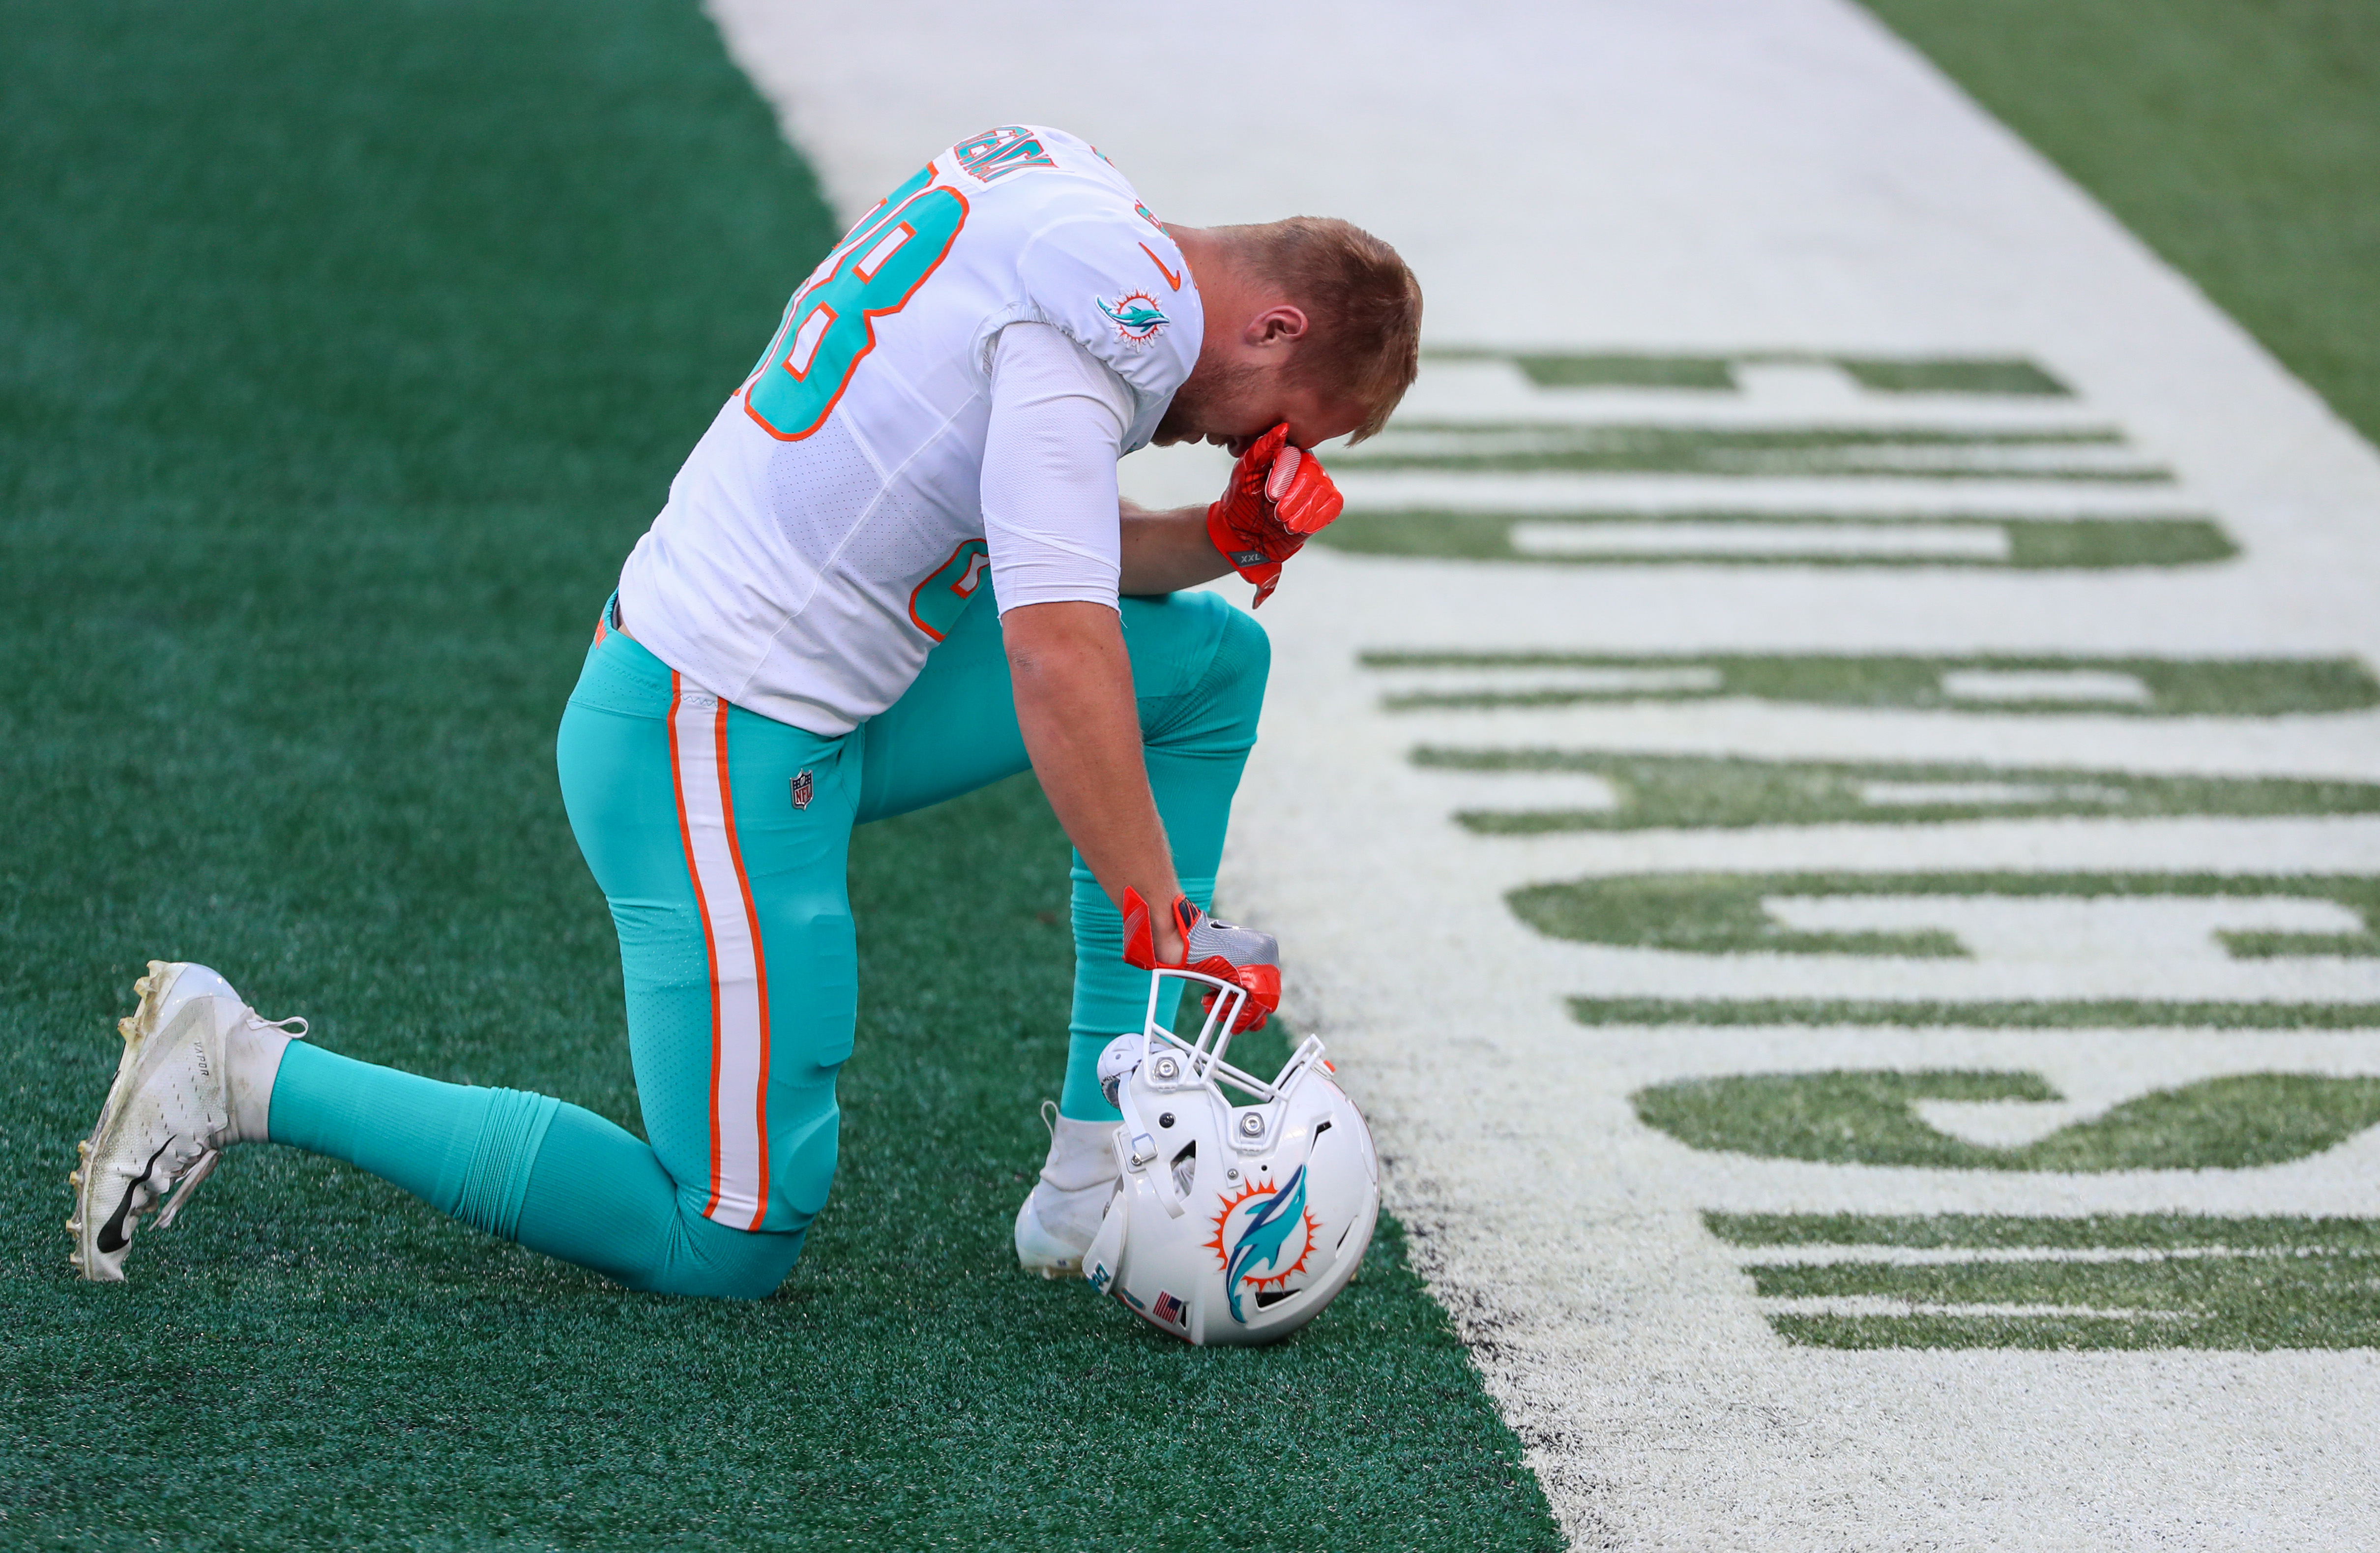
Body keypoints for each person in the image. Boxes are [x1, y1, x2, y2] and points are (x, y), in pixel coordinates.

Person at [69, 123, 1422, 1297]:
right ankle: (241, 1067)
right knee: (724, 1237)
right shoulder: (1116, 327)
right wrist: (1164, 919)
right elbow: (1057, 650)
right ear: (1274, 326)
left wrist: (1223, 536)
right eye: (1275, 429)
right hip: (708, 731)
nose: (1251, 449)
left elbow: (1056, 543)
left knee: (1203, 666)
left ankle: (1090, 1182)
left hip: (801, 689)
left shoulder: (1070, 190)